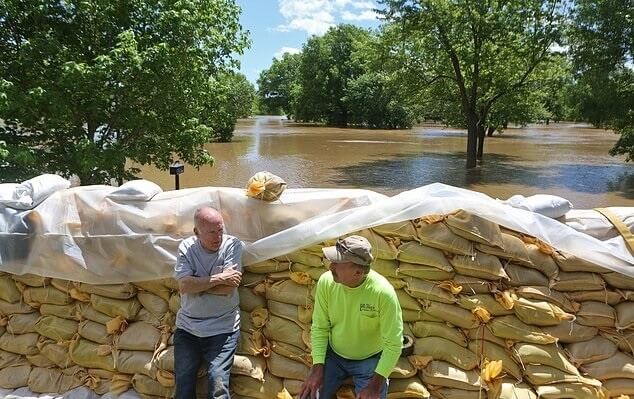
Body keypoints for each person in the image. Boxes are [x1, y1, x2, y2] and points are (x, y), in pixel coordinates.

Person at [300, 235, 403, 399]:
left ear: (358, 272)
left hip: (369, 360)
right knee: (308, 395)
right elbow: (320, 327)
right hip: (333, 357)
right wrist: (317, 368)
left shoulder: (383, 293)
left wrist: (375, 387)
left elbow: (394, 344)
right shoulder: (326, 282)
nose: (331, 266)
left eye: (337, 263)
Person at [173, 207, 244, 399]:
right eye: (212, 232)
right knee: (183, 383)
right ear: (197, 233)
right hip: (187, 328)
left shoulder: (233, 245)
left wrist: (198, 283)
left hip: (223, 328)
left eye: (220, 230)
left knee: (217, 383)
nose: (218, 237)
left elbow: (229, 288)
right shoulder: (186, 248)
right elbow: (184, 286)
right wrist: (219, 278)